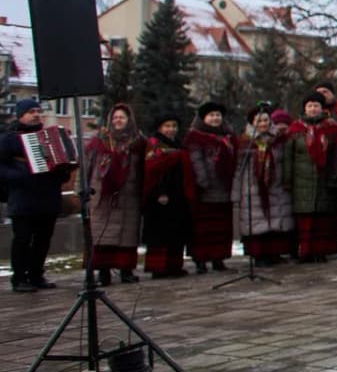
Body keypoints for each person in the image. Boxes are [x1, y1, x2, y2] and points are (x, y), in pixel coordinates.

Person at [1, 99, 76, 292]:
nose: (35, 114)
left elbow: (61, 165)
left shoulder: (51, 137)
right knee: (23, 238)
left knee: (44, 238)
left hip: (47, 196)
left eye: (37, 111)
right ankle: (19, 278)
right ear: (20, 115)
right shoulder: (9, 139)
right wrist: (20, 176)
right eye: (30, 111)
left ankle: (36, 275)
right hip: (22, 198)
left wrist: (64, 170)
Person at [85, 103, 146, 287]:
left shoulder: (138, 142)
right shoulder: (99, 141)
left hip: (129, 195)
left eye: (122, 117)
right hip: (103, 196)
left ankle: (126, 271)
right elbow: (87, 165)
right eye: (115, 117)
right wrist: (85, 190)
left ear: (129, 121)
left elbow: (144, 168)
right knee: (103, 235)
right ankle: (103, 273)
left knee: (127, 235)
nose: (118, 120)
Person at [286, 92, 337, 263]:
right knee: (305, 220)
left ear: (322, 108)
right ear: (304, 108)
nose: (313, 109)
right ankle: (305, 251)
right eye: (310, 106)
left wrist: (336, 177)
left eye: (316, 106)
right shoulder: (295, 130)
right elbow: (288, 158)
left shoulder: (332, 129)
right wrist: (288, 180)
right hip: (301, 182)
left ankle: (322, 251)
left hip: (325, 180)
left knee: (323, 218)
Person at [233, 104, 295, 265]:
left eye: (266, 120)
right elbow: (238, 167)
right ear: (252, 123)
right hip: (253, 187)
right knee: (257, 221)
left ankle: (275, 253)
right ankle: (259, 255)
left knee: (275, 219)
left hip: (276, 185)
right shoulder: (245, 142)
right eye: (259, 121)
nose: (263, 124)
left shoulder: (279, 139)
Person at [141, 110, 193, 278]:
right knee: (160, 234)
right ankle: (159, 268)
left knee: (176, 232)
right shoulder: (154, 145)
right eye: (167, 126)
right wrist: (159, 192)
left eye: (174, 126)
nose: (171, 129)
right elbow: (150, 171)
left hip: (177, 195)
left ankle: (174, 266)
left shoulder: (178, 145)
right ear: (160, 128)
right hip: (159, 196)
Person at [184, 101, 236, 272]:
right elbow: (196, 160)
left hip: (224, 188)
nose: (215, 119)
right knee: (203, 228)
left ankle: (218, 258)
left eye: (218, 115)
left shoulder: (227, 136)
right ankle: (200, 260)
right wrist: (203, 181)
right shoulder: (195, 137)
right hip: (204, 190)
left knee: (221, 227)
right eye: (211, 115)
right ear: (203, 118)